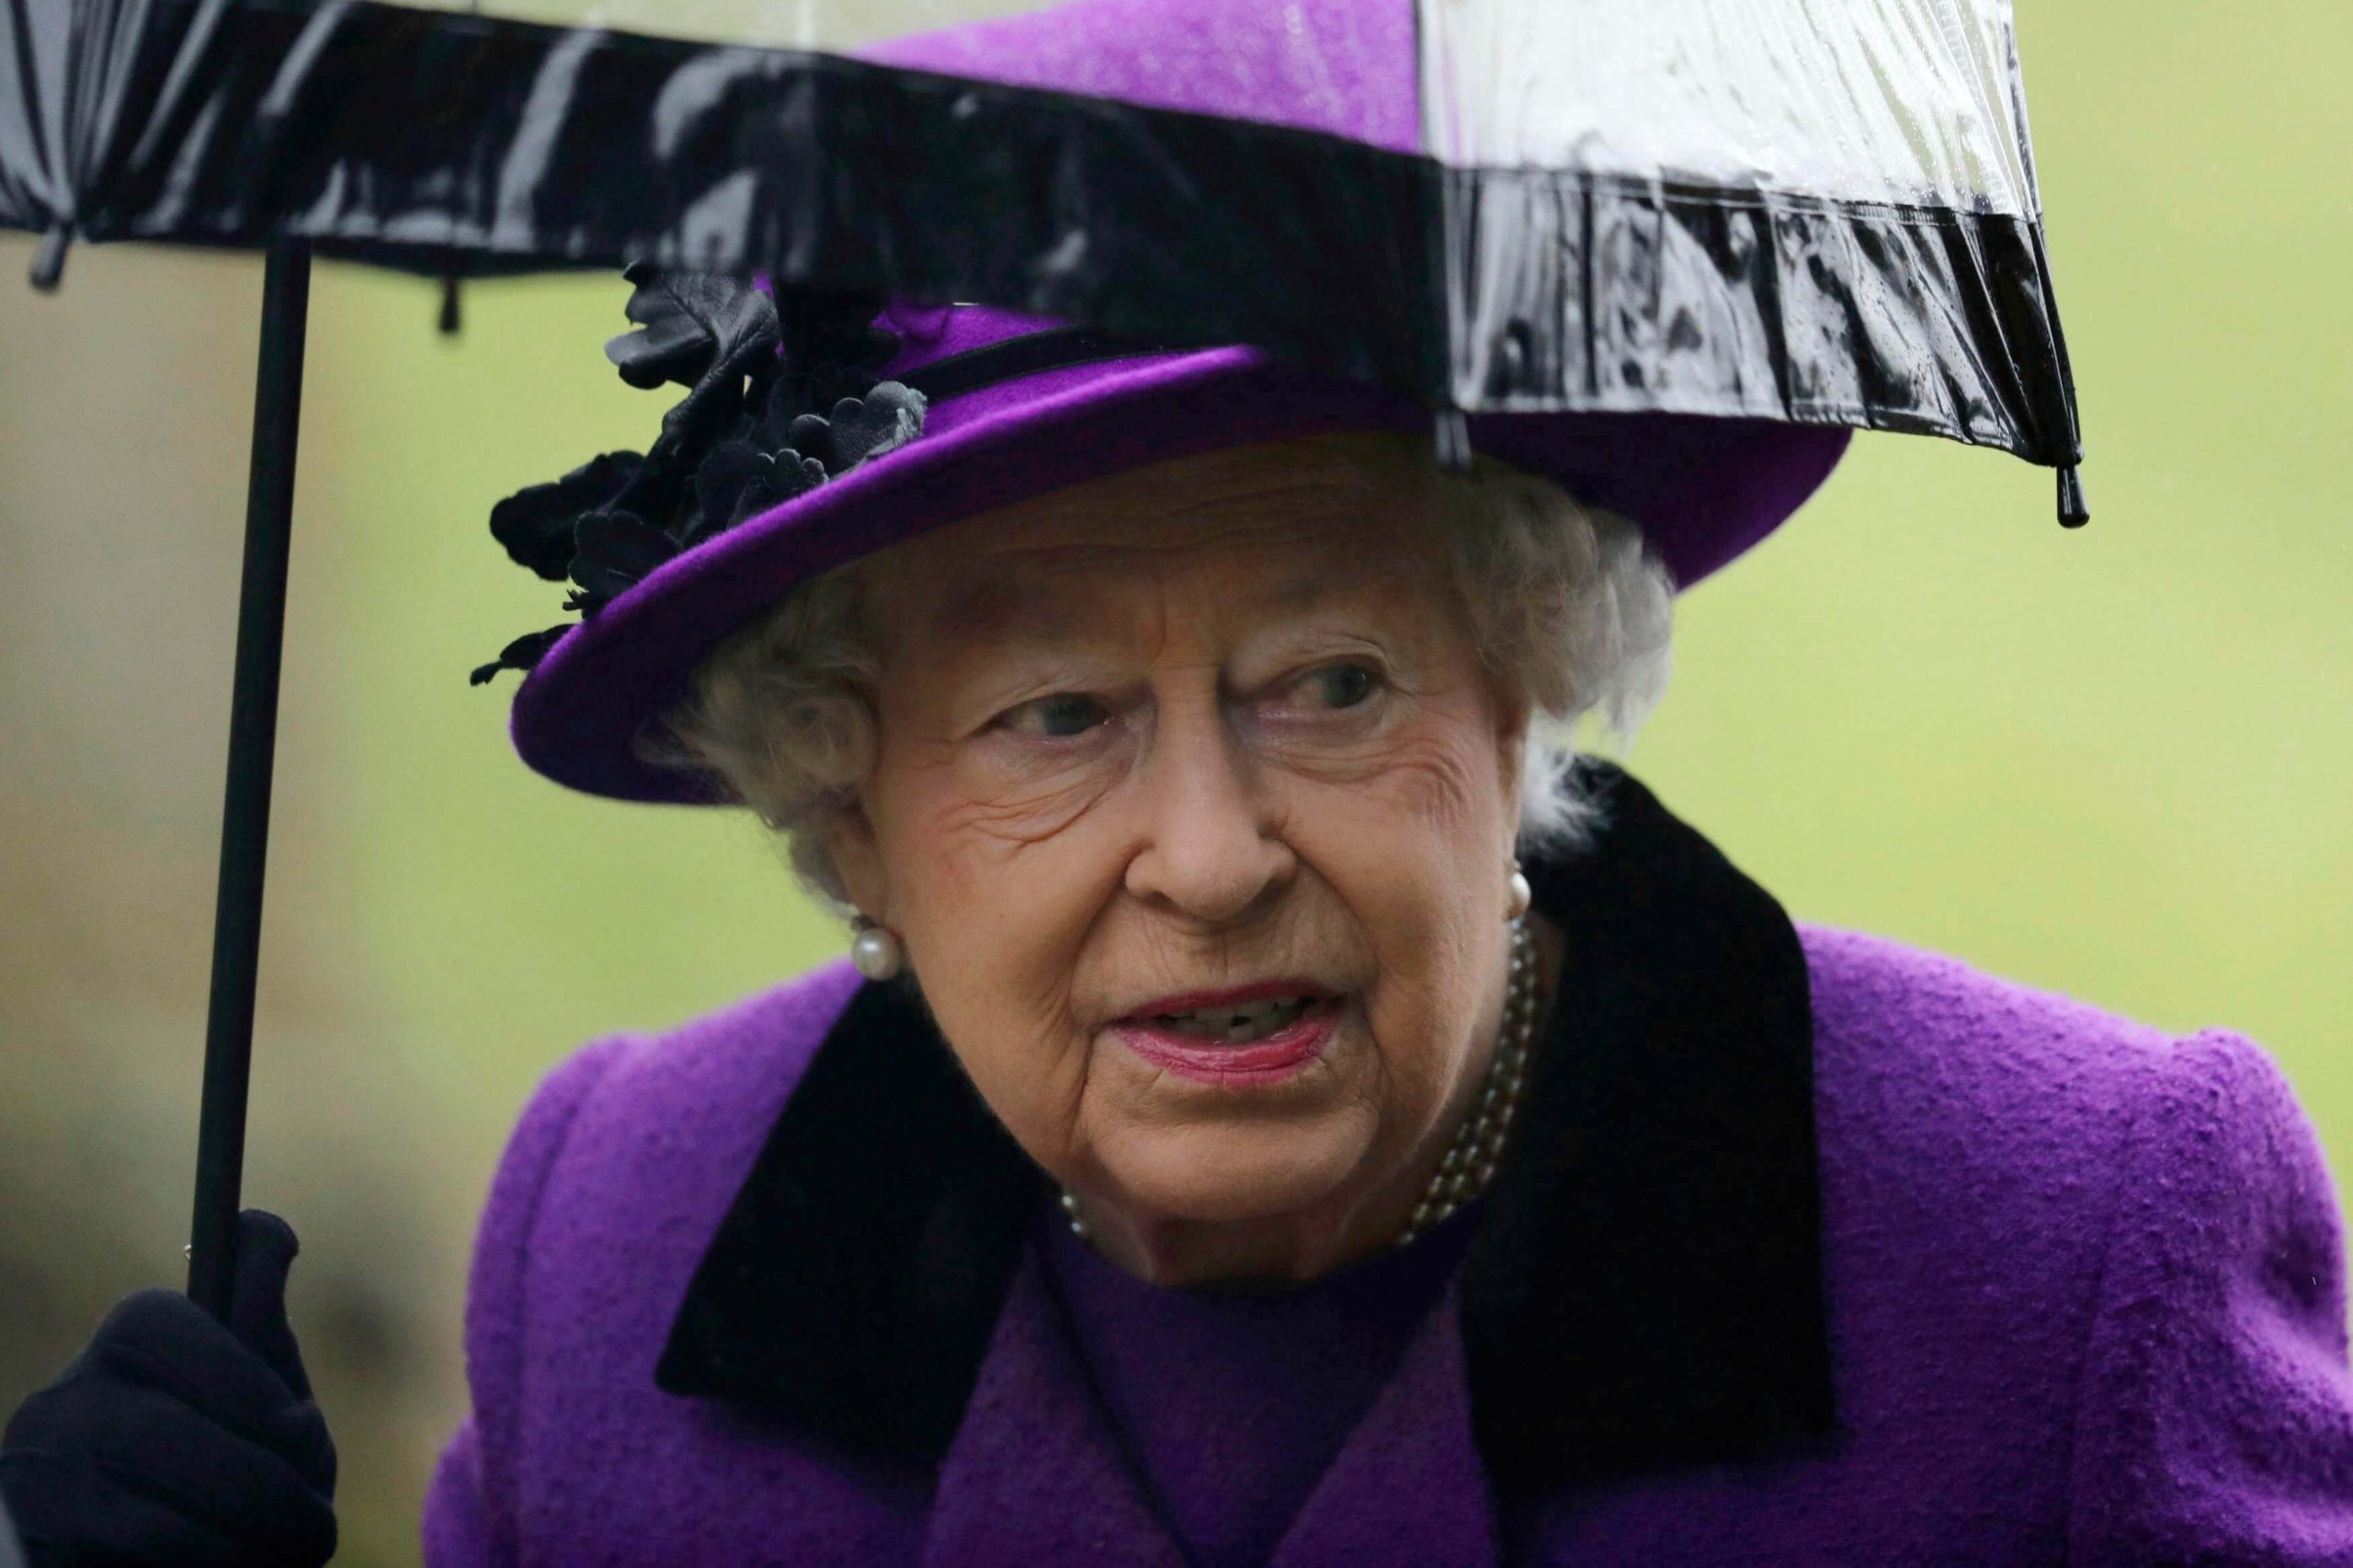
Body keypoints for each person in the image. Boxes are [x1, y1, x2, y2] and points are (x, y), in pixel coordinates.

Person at [9, 266, 2353, 1564]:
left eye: (1326, 683)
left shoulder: (2061, 1261)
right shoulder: (618, 1261)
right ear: (851, 795)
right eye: (1049, 717)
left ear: (1519, 677)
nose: (1211, 854)